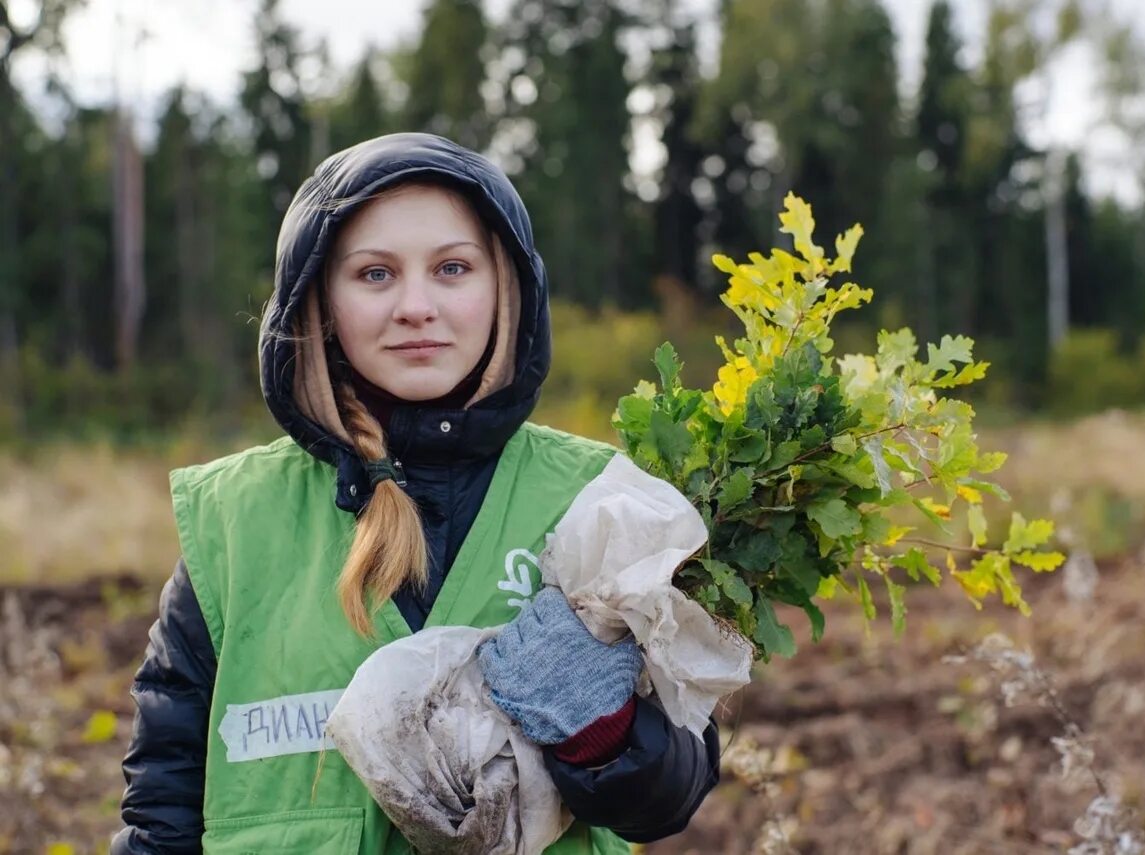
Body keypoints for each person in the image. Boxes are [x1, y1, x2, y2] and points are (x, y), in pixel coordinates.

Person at [110, 133, 720, 854]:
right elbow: (162, 813)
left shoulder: (600, 504)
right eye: (374, 274)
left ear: (505, 288)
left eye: (453, 268)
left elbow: (672, 796)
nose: (416, 306)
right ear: (321, 300)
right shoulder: (236, 528)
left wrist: (605, 731)